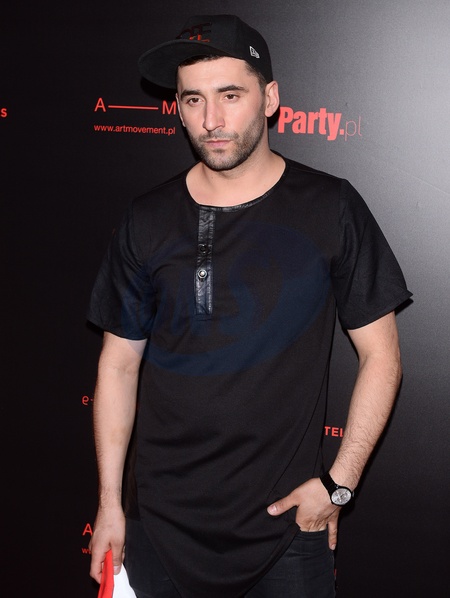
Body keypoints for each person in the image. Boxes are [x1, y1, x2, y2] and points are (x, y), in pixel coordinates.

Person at [88, 14, 412, 598]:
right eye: (193, 99)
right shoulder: (147, 217)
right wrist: (110, 503)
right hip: (158, 528)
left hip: (286, 531)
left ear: (270, 98)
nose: (211, 120)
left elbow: (382, 357)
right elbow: (118, 365)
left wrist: (338, 485)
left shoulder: (330, 206)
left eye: (230, 95)